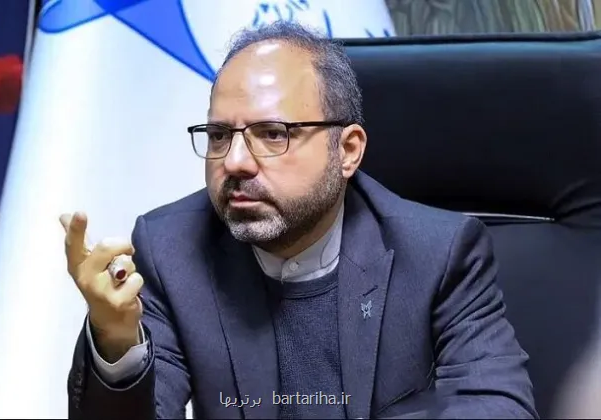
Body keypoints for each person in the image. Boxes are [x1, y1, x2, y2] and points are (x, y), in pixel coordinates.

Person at [62, 21, 537, 419]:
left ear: (347, 150)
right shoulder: (170, 248)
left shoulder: (440, 253)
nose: (235, 162)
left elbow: (499, 407)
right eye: (220, 135)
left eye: (273, 133)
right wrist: (118, 342)